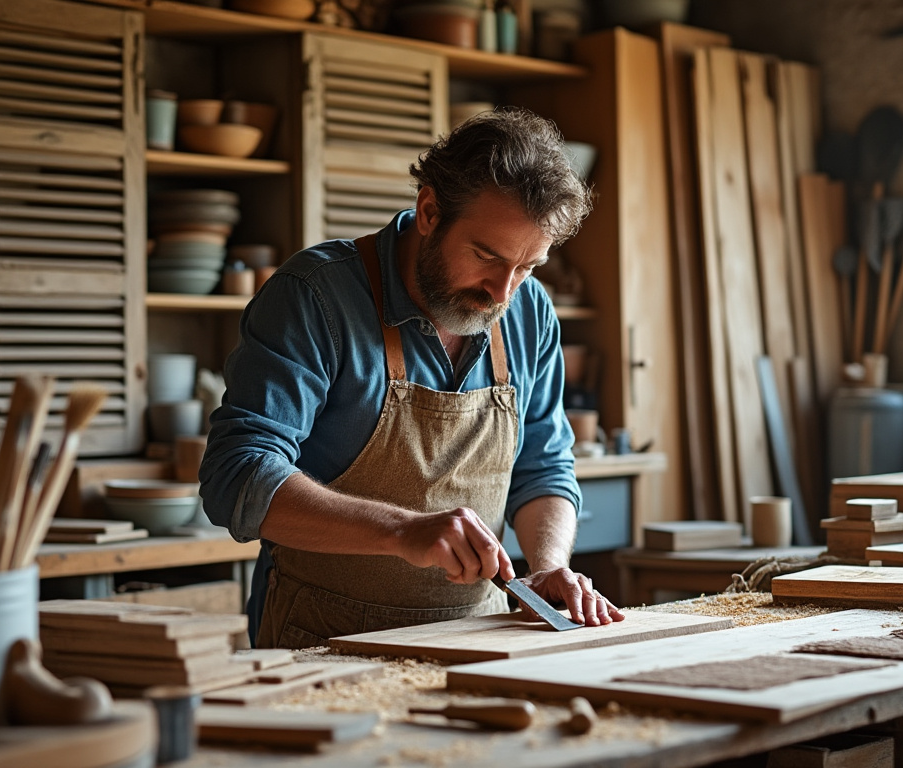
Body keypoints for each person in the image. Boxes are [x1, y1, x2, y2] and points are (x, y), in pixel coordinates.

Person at [199, 107, 625, 649]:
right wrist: (402, 531)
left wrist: (547, 566)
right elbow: (235, 476)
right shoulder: (313, 297)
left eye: (527, 267)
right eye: (485, 256)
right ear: (429, 211)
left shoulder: (528, 311)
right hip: (322, 641)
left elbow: (543, 466)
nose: (503, 292)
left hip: (478, 637)